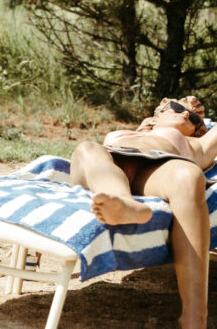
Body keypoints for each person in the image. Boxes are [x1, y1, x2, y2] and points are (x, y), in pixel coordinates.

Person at [69, 96, 216, 329]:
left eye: (195, 119)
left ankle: (194, 318)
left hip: (156, 169)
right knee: (87, 148)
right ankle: (124, 204)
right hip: (108, 166)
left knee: (189, 176)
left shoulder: (196, 144)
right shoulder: (128, 133)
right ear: (157, 114)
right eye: (177, 107)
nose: (187, 113)